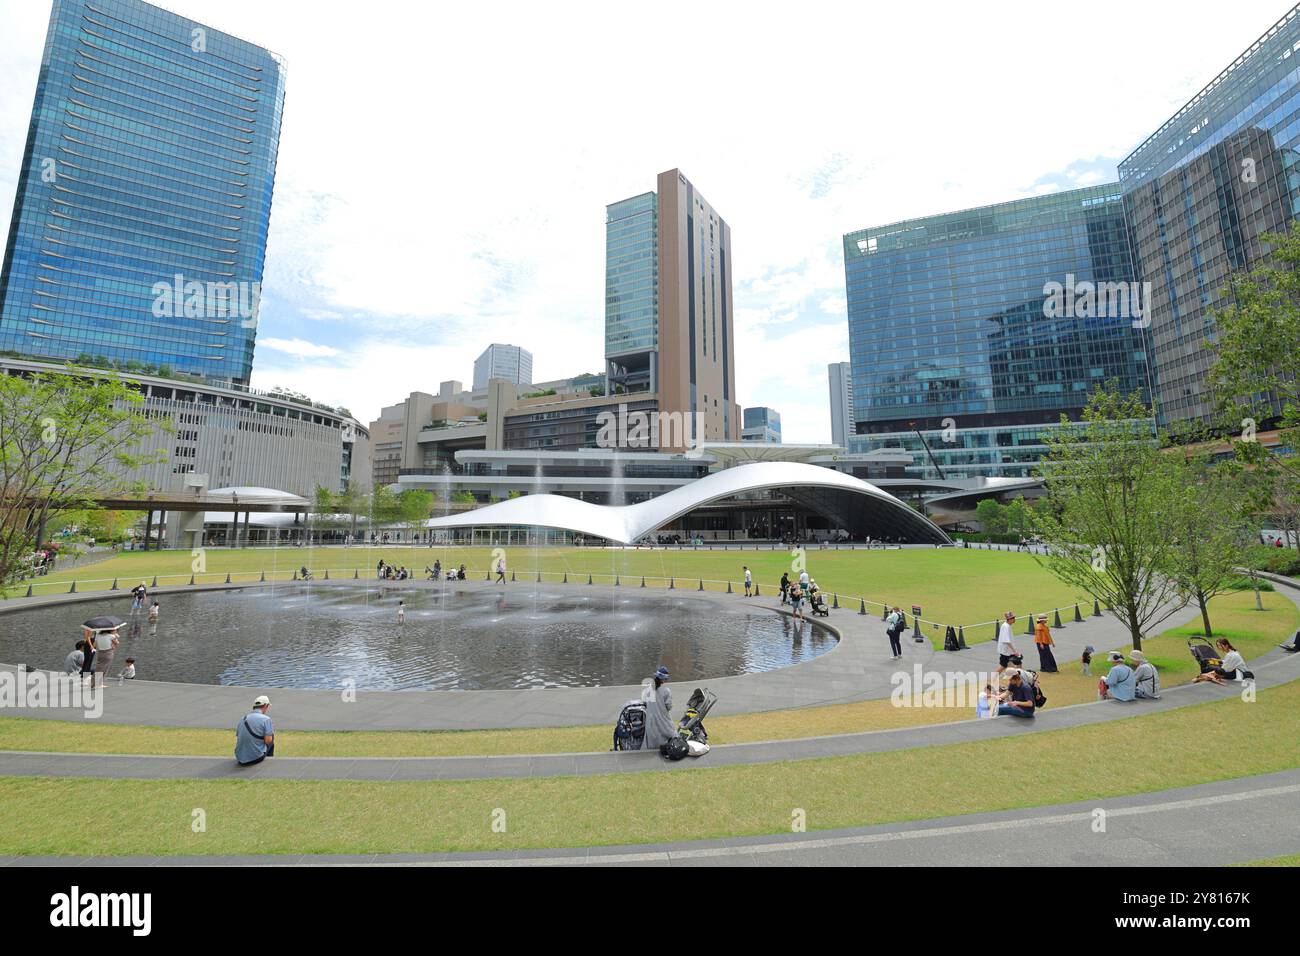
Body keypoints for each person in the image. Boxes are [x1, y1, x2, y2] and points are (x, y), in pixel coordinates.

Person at [234, 695, 275, 766]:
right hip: (255, 757)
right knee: (271, 738)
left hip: (239, 757)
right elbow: (268, 741)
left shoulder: (243, 718)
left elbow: (239, 736)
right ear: (265, 705)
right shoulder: (266, 719)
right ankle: (269, 762)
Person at [642, 666, 675, 751]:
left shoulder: (648, 689)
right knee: (671, 732)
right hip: (663, 721)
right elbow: (669, 706)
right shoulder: (666, 691)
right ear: (663, 679)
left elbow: (644, 702)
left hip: (650, 722)